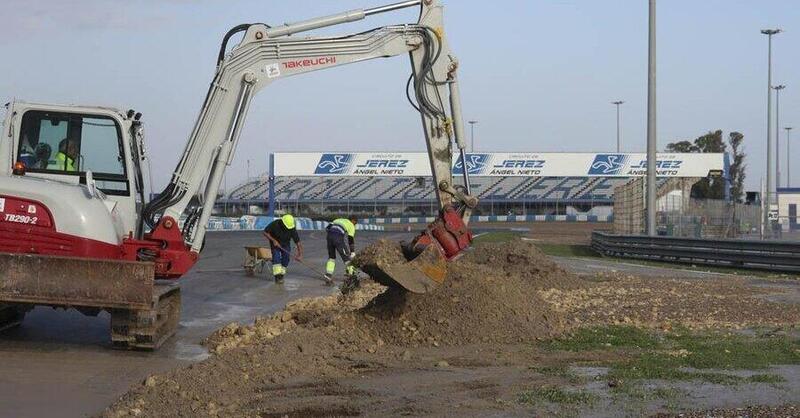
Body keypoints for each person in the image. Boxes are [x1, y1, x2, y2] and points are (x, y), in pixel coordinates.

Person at [262, 214, 303, 283]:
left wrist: (300, 255)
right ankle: (277, 276)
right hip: (275, 243)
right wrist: (273, 240)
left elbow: (298, 242)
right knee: (276, 257)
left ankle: (282, 274)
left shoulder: (292, 228)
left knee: (286, 258)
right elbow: (265, 232)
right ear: (283, 223)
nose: (288, 229)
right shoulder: (275, 224)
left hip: (286, 244)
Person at [324, 216, 358, 285]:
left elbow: (327, 228)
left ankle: (328, 275)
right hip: (338, 238)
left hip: (329, 237)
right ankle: (351, 276)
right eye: (355, 223)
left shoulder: (337, 219)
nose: (355, 224)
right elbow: (350, 239)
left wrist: (333, 234)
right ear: (353, 220)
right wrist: (352, 252)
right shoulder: (351, 225)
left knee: (331, 257)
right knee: (347, 257)